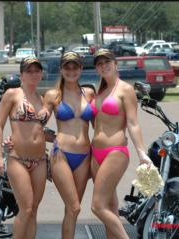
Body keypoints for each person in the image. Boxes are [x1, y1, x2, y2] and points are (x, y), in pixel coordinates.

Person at [90, 48, 152, 239]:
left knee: (97, 206)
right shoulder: (99, 91)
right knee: (110, 206)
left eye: (107, 62)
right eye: (99, 63)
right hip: (95, 154)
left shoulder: (125, 89)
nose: (103, 66)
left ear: (116, 64)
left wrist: (141, 152)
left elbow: (133, 124)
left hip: (115, 152)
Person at [0, 56, 49, 239]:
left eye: (37, 71)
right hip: (18, 159)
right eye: (29, 71)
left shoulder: (41, 98)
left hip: (40, 161)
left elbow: (40, 130)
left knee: (33, 210)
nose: (33, 74)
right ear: (21, 74)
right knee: (25, 208)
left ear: (41, 73)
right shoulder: (12, 94)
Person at [43, 51, 94, 239]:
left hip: (84, 156)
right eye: (67, 67)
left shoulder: (88, 93)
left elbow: (100, 125)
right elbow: (35, 124)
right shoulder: (53, 95)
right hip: (61, 155)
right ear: (61, 69)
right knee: (74, 206)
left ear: (81, 69)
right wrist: (49, 138)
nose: (71, 71)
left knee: (72, 211)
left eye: (75, 67)